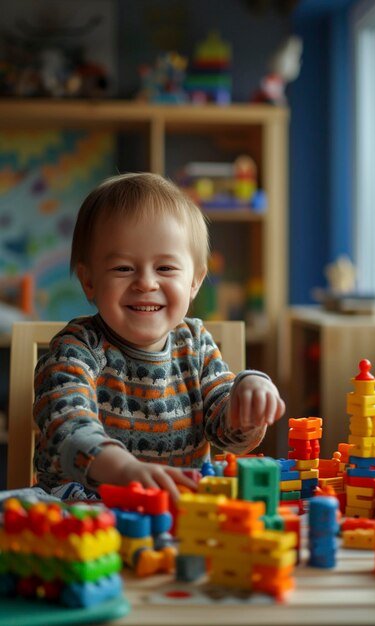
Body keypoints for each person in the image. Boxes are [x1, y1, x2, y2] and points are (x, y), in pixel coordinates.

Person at [33, 172, 286, 502]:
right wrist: (123, 470)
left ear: (195, 282)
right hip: (87, 511)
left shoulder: (195, 344)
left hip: (177, 514)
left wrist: (247, 397)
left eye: (165, 268)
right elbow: (66, 426)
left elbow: (229, 436)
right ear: (90, 281)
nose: (146, 283)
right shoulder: (76, 349)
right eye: (124, 268)